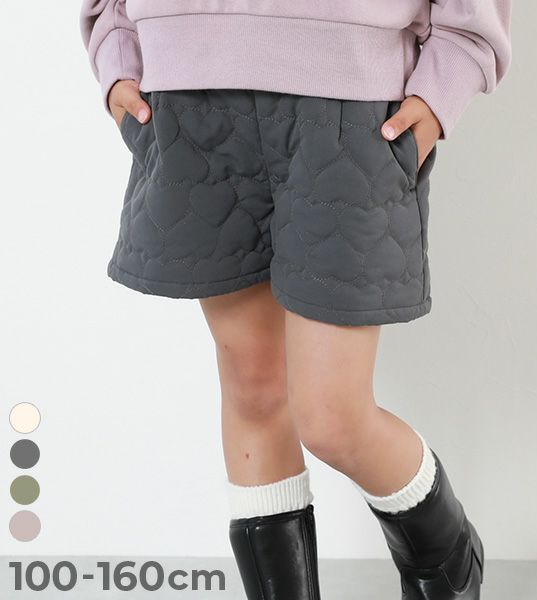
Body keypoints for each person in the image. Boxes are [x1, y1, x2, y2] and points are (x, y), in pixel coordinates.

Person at [80, 2, 512, 598]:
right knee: (252, 387)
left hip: (352, 106)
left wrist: (446, 83)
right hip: (187, 99)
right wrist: (117, 54)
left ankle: (446, 553)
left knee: (333, 417)